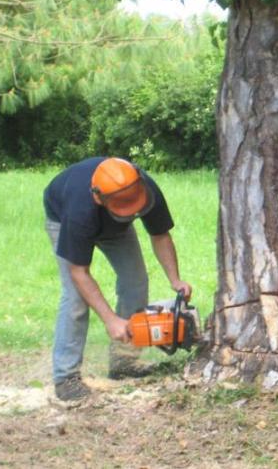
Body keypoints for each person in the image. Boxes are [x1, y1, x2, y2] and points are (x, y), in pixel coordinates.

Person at [43, 157, 192, 401]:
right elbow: (79, 272)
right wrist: (110, 319)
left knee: (136, 282)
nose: (134, 211)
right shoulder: (80, 211)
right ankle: (65, 377)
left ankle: (124, 363)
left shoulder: (142, 187)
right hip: (64, 219)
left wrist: (175, 280)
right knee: (75, 296)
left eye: (136, 206)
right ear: (98, 198)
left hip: (116, 226)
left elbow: (160, 234)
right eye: (126, 207)